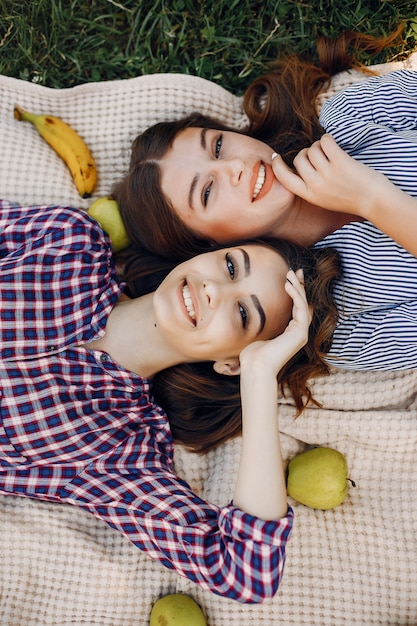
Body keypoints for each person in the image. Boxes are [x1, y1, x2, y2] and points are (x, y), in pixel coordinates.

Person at [0, 198, 343, 603]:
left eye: (243, 315)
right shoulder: (70, 238)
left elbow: (246, 570)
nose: (214, 290)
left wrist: (260, 379)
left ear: (232, 363)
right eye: (231, 267)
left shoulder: (121, 451)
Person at [112, 27, 417, 261]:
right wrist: (370, 199)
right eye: (206, 192)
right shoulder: (344, 302)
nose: (233, 166)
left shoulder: (350, 115)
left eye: (217, 147)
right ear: (209, 244)